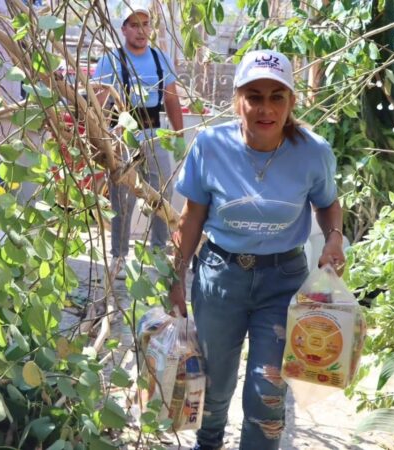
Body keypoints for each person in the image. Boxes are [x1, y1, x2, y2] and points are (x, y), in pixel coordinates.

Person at [169, 49, 345, 450]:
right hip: (219, 278)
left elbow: (327, 203)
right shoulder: (210, 146)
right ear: (238, 101)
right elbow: (191, 217)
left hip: (282, 283)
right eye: (255, 96)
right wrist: (175, 276)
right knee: (214, 385)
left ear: (291, 102)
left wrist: (334, 237)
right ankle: (207, 444)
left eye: (276, 96)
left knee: (268, 391)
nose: (266, 108)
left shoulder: (313, 151)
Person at [91, 3, 183, 279]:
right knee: (121, 200)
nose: (141, 31)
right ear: (124, 29)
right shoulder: (111, 59)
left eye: (146, 24)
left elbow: (171, 98)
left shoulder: (160, 58)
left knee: (161, 194)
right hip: (121, 136)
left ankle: (157, 253)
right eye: (135, 25)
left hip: (155, 135)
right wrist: (94, 137)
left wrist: (179, 136)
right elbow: (98, 100)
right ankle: (118, 257)